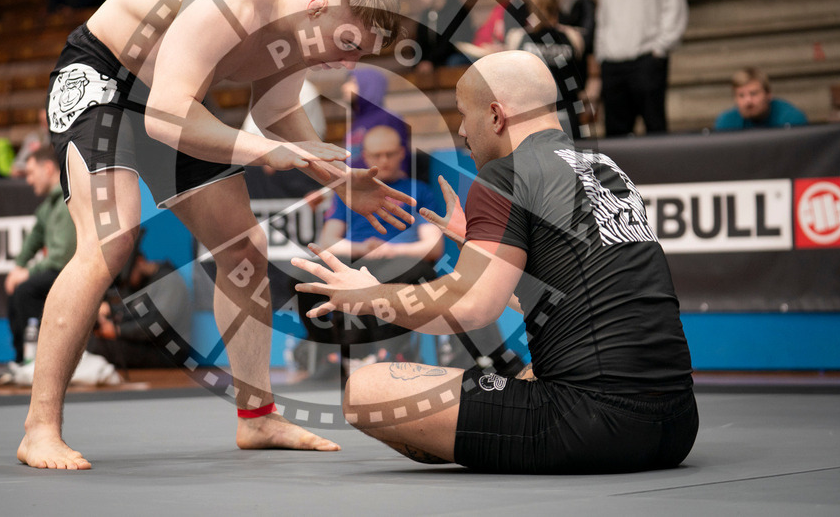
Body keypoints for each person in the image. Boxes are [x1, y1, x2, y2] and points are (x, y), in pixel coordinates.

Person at [20, 0, 415, 469]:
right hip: (102, 78)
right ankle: (39, 428)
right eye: (346, 45)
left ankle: (258, 418)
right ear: (318, 6)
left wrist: (340, 180)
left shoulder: (302, 28)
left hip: (168, 97)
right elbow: (167, 118)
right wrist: (265, 153)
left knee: (243, 245)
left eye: (359, 54)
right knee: (109, 240)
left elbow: (274, 113)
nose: (346, 64)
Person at [292, 50, 698, 473]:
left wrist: (369, 295)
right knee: (525, 375)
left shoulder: (506, 174)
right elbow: (570, 303)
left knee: (366, 390)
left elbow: (472, 307)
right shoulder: (604, 167)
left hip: (590, 424)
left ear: (496, 115)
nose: (462, 131)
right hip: (676, 424)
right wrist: (480, 245)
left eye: (464, 115)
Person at [316, 124, 443, 371]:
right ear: (364, 156)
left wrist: (392, 251)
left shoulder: (419, 191)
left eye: (390, 154)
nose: (383, 161)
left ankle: (391, 352)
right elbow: (326, 242)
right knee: (302, 278)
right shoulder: (348, 191)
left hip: (400, 262)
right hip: (359, 258)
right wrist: (363, 247)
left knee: (396, 274)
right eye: (376, 155)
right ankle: (333, 354)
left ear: (401, 153)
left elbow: (433, 247)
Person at [595, 0, 687, 137]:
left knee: (654, 127)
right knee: (615, 133)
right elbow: (603, 22)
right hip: (613, 65)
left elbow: (675, 12)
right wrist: (602, 56)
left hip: (647, 61)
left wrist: (659, 50)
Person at [5, 144, 76, 364]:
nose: (28, 180)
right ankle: (21, 359)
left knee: (27, 289)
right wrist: (18, 266)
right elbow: (34, 238)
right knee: (17, 287)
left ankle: (37, 360)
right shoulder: (48, 207)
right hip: (58, 271)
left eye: (31, 173)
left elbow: (61, 257)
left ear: (47, 168)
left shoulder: (67, 200)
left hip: (72, 272)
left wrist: (27, 272)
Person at [503, 0, 585, 137]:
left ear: (530, 8)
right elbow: (580, 78)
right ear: (556, 6)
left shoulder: (518, 37)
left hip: (531, 118)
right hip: (567, 115)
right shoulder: (573, 37)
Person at [341, 67, 411, 175]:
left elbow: (400, 163)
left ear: (369, 86)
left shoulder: (387, 118)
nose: (345, 87)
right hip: (354, 185)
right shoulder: (358, 121)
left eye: (353, 82)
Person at [412, 0, 472, 72]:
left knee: (454, 62)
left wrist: (431, 61)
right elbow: (420, 41)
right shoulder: (426, 14)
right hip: (433, 61)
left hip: (453, 56)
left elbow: (452, 43)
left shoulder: (457, 11)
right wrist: (422, 61)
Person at [714, 67, 808, 130]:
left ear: (768, 94)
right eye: (741, 95)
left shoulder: (792, 120)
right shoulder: (726, 123)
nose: (748, 101)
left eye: (753, 94)